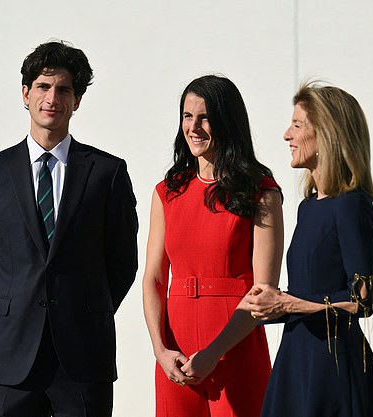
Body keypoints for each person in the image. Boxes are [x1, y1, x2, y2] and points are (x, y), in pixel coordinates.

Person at [0, 40, 138, 417]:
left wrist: (87, 309)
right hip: (11, 355)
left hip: (84, 352)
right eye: (43, 86)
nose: (52, 97)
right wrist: (12, 305)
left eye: (63, 89)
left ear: (76, 101)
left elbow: (123, 261)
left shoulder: (107, 173)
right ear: (25, 94)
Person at [142, 75, 284, 417]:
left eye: (205, 117)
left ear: (227, 121)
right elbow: (154, 280)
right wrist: (160, 350)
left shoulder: (261, 192)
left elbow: (264, 291)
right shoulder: (167, 192)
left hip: (235, 344)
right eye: (187, 116)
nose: (194, 127)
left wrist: (214, 351)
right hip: (175, 353)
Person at [245, 82, 373, 416]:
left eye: (297, 125)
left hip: (333, 368)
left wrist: (287, 302)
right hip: (295, 359)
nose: (286, 135)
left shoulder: (352, 205)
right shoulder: (307, 208)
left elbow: (363, 302)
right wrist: (272, 306)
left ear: (326, 134)